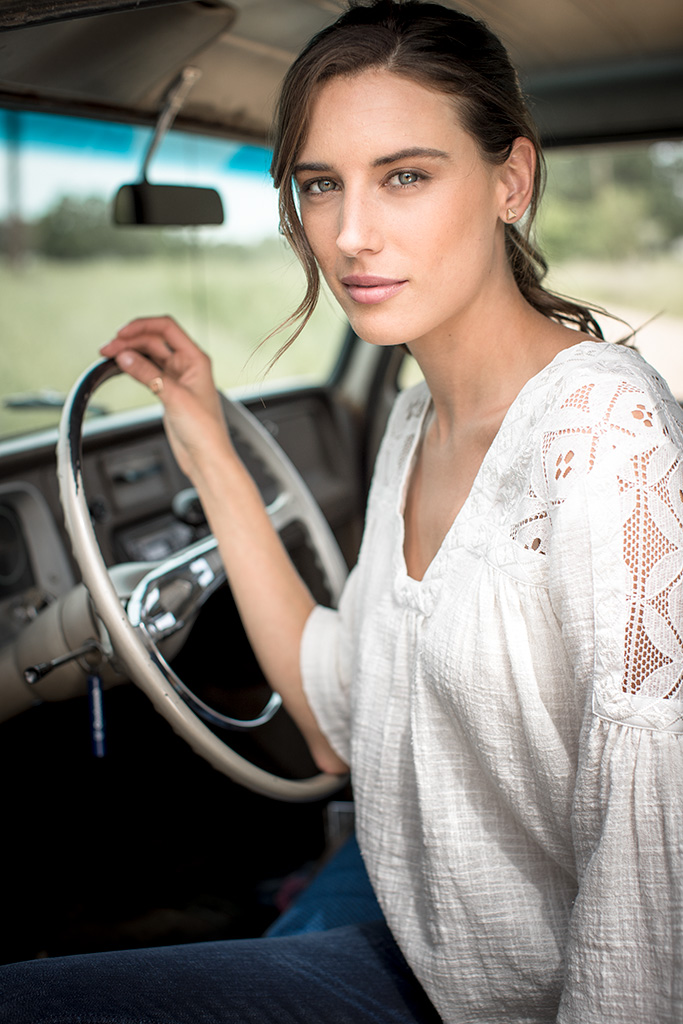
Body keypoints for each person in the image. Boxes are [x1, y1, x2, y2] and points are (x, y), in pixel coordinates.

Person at [2, 1, 682, 1022]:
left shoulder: (602, 432)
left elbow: (647, 885)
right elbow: (335, 721)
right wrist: (204, 438)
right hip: (424, 943)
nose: (350, 235)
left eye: (403, 175)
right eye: (321, 185)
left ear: (510, 181)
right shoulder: (410, 419)